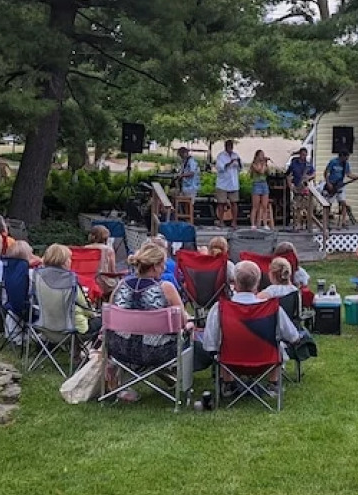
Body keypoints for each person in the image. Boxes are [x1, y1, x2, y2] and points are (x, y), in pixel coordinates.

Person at [105, 241, 191, 403]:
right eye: (163, 264)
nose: (165, 268)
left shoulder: (120, 286)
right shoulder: (166, 288)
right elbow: (182, 320)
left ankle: (121, 385)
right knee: (190, 334)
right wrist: (190, 325)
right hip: (158, 352)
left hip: (121, 349)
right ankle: (182, 389)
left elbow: (110, 316)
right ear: (155, 266)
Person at [195, 260, 302, 390]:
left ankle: (228, 384)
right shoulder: (272, 308)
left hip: (231, 362)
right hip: (266, 362)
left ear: (234, 283)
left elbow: (209, 343)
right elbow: (293, 336)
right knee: (276, 343)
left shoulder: (220, 308)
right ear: (257, 283)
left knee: (221, 345)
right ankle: (273, 383)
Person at [85, 224, 120, 296]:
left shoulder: (85, 249)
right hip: (104, 283)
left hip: (87, 282)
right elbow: (112, 270)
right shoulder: (108, 250)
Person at [215, 140, 243, 229]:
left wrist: (238, 162)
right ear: (225, 146)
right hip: (222, 183)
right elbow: (221, 168)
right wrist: (230, 162)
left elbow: (240, 168)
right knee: (221, 203)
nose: (230, 147)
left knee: (234, 202)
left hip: (233, 183)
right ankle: (221, 221)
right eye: (228, 146)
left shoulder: (236, 155)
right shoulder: (220, 156)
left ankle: (234, 222)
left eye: (231, 146)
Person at [323, 150, 355, 224]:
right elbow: (326, 173)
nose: (347, 159)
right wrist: (328, 183)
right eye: (346, 157)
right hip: (331, 184)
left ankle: (343, 221)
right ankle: (326, 221)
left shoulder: (346, 164)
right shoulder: (333, 162)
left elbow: (349, 174)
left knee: (343, 202)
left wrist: (357, 177)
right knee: (328, 203)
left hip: (340, 185)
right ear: (342, 156)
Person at [286, 147, 314, 226]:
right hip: (297, 186)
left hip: (305, 187)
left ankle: (307, 224)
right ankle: (297, 224)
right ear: (300, 154)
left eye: (305, 155)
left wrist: (308, 177)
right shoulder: (294, 163)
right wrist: (290, 186)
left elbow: (314, 174)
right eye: (302, 155)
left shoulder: (308, 164)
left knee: (307, 207)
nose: (303, 157)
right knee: (296, 207)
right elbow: (288, 175)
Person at [248, 149, 273, 229]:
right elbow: (260, 171)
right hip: (257, 184)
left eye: (263, 154)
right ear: (257, 156)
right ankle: (253, 224)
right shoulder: (254, 164)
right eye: (261, 155)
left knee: (264, 206)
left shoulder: (264, 164)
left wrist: (266, 165)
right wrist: (263, 163)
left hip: (264, 184)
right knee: (255, 206)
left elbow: (267, 172)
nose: (263, 156)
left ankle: (265, 224)